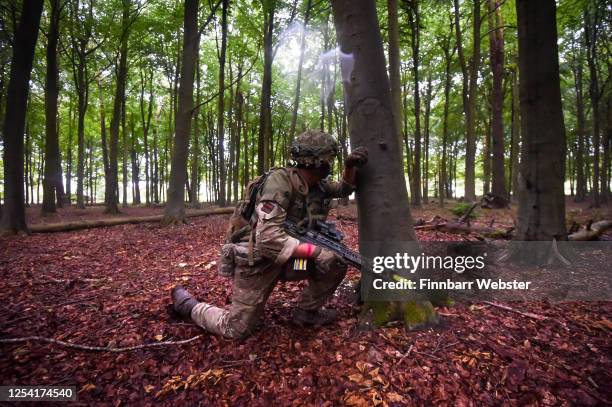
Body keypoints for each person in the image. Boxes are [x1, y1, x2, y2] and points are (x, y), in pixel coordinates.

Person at [171, 130, 368, 339]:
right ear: (317, 162)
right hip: (258, 260)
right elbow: (268, 240)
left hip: (289, 261)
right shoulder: (280, 183)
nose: (331, 164)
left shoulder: (316, 184)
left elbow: (344, 189)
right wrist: (316, 251)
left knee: (336, 262)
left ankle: (306, 312)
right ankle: (189, 305)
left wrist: (350, 167)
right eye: (329, 159)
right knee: (235, 329)